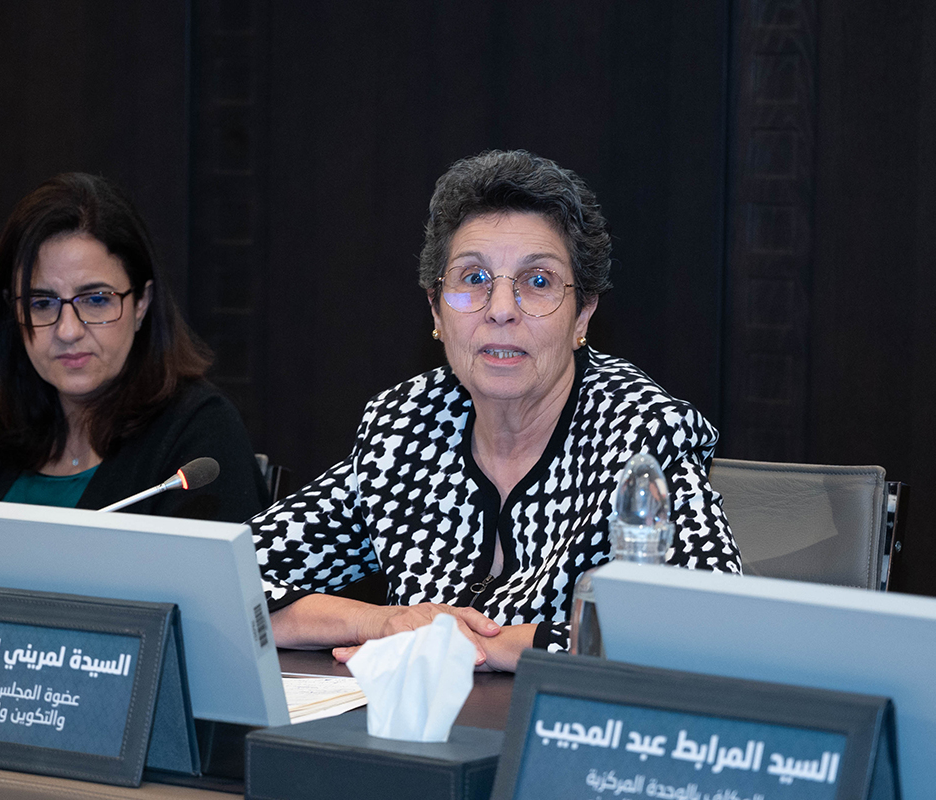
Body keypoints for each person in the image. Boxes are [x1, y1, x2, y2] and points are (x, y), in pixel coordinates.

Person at [251, 150, 740, 672]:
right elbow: (231, 581)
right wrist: (383, 622)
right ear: (436, 310)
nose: (501, 310)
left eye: (538, 281)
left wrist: (484, 646)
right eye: (473, 278)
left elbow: (708, 629)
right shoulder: (407, 426)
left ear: (583, 315)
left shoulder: (640, 432)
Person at [0, 173, 268, 521]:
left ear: (141, 303)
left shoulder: (198, 431)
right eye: (42, 303)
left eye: (96, 300)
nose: (68, 331)